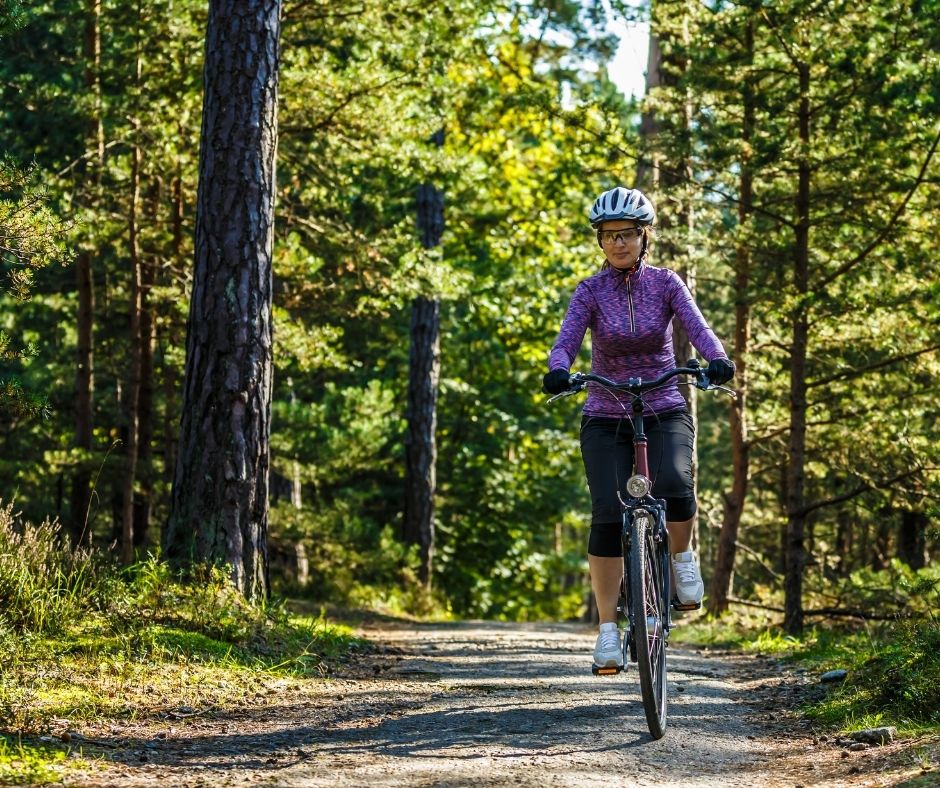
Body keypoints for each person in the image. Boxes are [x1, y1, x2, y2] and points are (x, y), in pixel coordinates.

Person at [543, 186, 735, 670]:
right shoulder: (590, 290)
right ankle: (609, 630)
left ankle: (682, 558)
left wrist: (716, 358)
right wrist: (558, 367)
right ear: (601, 242)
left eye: (627, 234)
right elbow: (567, 337)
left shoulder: (667, 283)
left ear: (644, 237)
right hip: (606, 411)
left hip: (664, 403)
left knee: (673, 480)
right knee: (608, 512)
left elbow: (697, 326)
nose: (618, 244)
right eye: (609, 236)